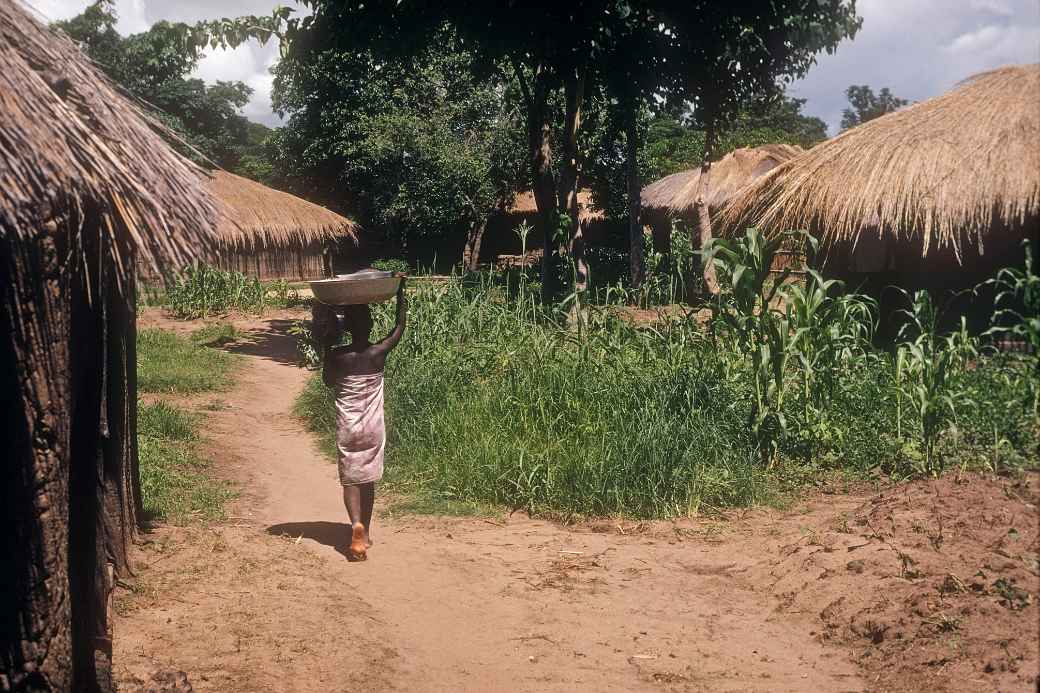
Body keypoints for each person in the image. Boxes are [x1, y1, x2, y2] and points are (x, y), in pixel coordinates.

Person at [313, 278, 407, 560]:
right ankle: (365, 534)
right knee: (368, 480)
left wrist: (329, 339)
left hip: (349, 427)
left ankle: (355, 524)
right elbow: (399, 327)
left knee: (351, 479)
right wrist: (401, 292)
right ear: (370, 325)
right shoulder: (378, 352)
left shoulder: (338, 356)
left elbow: (328, 382)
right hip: (373, 427)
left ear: (348, 327)